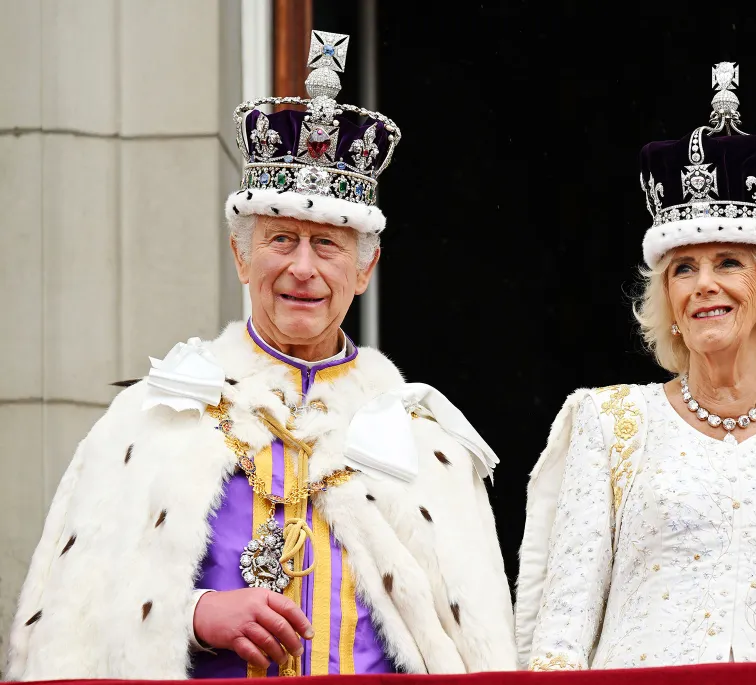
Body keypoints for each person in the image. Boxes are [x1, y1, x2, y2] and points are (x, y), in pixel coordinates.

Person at [5, 30, 515, 680]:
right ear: (242, 255)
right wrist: (193, 613)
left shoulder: (424, 443)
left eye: (327, 245)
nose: (302, 268)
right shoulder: (151, 420)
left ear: (366, 269)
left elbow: (471, 645)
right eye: (281, 238)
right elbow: (68, 621)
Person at [515, 62, 756, 669]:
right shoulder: (609, 421)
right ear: (666, 298)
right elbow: (561, 631)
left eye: (728, 262)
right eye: (683, 268)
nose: (704, 285)